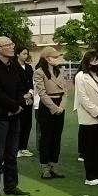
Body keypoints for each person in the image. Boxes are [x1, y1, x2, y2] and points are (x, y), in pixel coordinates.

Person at [0, 36, 31, 196]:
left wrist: (19, 105)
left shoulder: (14, 67)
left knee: (11, 154)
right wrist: (14, 106)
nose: (12, 47)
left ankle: (11, 186)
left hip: (14, 116)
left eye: (12, 44)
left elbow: (20, 88)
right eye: (8, 45)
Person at [74, 50, 98, 185]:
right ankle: (90, 177)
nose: (97, 63)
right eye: (94, 60)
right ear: (87, 62)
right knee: (90, 148)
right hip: (89, 117)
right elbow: (83, 98)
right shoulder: (81, 76)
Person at [35, 47, 68, 179]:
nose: (57, 59)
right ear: (47, 58)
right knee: (46, 137)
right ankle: (45, 167)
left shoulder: (59, 71)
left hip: (59, 104)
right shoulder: (39, 72)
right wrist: (54, 108)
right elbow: (42, 93)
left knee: (56, 137)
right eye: (54, 57)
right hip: (47, 106)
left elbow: (65, 91)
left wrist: (61, 107)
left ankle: (54, 165)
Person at [15, 45, 35, 158]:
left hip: (29, 99)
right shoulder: (13, 67)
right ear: (17, 54)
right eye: (24, 54)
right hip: (18, 100)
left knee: (28, 123)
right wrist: (23, 96)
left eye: (27, 54)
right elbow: (14, 84)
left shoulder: (28, 68)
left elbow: (31, 83)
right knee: (19, 124)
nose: (26, 56)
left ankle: (23, 147)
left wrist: (30, 94)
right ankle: (16, 148)